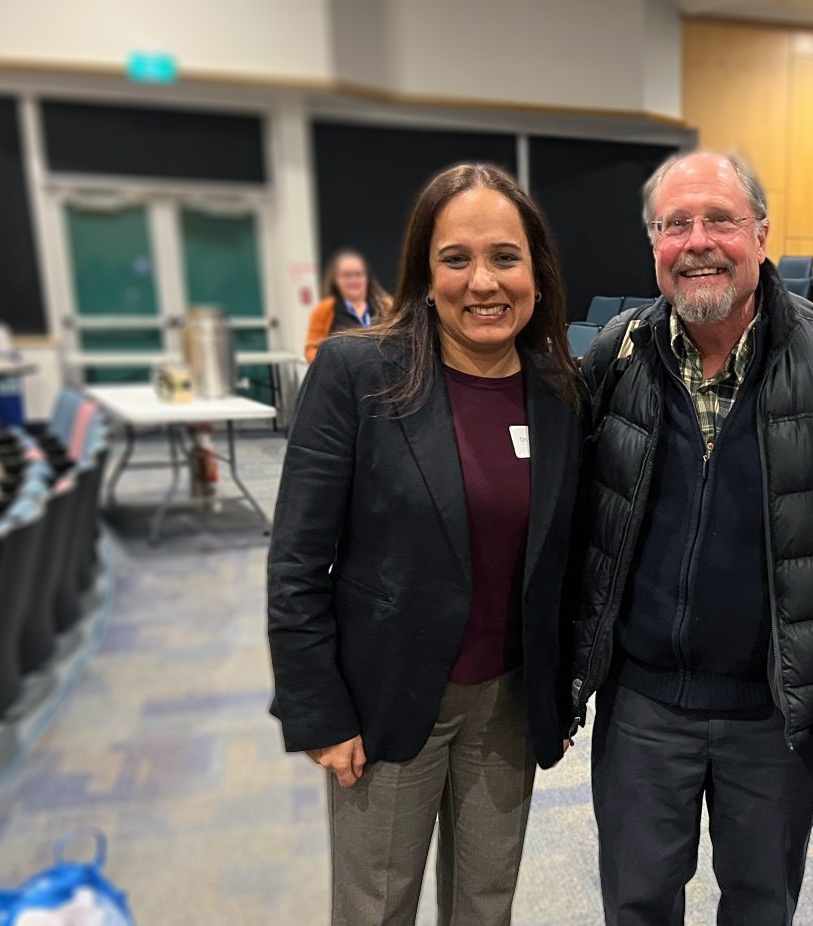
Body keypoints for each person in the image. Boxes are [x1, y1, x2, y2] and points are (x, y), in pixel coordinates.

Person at [570, 151, 813, 925]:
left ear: (762, 234)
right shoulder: (617, 354)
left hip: (773, 710)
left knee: (760, 906)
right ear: (654, 246)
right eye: (675, 224)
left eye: (720, 219)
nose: (698, 241)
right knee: (637, 905)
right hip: (643, 704)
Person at [268, 164, 582, 926]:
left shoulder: (560, 389)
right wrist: (319, 708)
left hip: (508, 704)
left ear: (536, 271)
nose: (484, 282)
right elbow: (297, 562)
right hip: (385, 702)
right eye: (457, 258)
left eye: (505, 257)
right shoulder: (357, 373)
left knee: (485, 905)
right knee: (378, 908)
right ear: (424, 270)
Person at [305, 248, 392, 362]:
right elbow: (310, 349)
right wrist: (329, 364)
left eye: (358, 274)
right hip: (341, 375)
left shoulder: (386, 305)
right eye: (347, 275)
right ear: (336, 279)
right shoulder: (324, 309)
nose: (353, 279)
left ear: (367, 277)